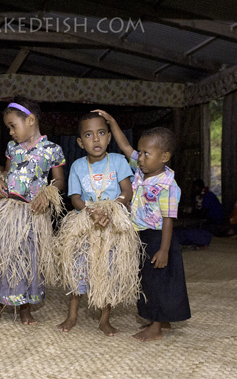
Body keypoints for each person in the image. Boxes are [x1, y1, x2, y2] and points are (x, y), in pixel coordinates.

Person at [101, 109, 191, 341]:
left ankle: (157, 327)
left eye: (146, 154)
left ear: (164, 157)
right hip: (141, 236)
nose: (139, 158)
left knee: (158, 282)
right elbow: (124, 146)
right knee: (147, 280)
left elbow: (169, 219)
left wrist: (163, 249)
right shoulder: (141, 172)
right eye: (140, 153)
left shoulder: (167, 186)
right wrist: (112, 122)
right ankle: (157, 319)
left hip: (159, 238)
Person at [0, 96, 65, 325]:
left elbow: (59, 181)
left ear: (30, 120)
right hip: (10, 212)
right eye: (8, 127)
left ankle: (25, 310)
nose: (10, 132)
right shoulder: (12, 148)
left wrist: (47, 194)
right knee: (5, 259)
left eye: (12, 126)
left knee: (30, 261)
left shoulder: (52, 150)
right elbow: (8, 174)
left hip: (34, 215)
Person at [55, 111, 135, 335]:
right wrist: (91, 211)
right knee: (77, 268)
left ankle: (104, 319)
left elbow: (127, 191)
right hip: (86, 223)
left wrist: (110, 209)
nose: (96, 139)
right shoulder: (78, 167)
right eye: (89, 135)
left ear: (109, 137)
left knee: (108, 270)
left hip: (112, 223)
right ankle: (72, 314)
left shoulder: (118, 161)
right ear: (80, 142)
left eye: (101, 133)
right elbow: (75, 198)